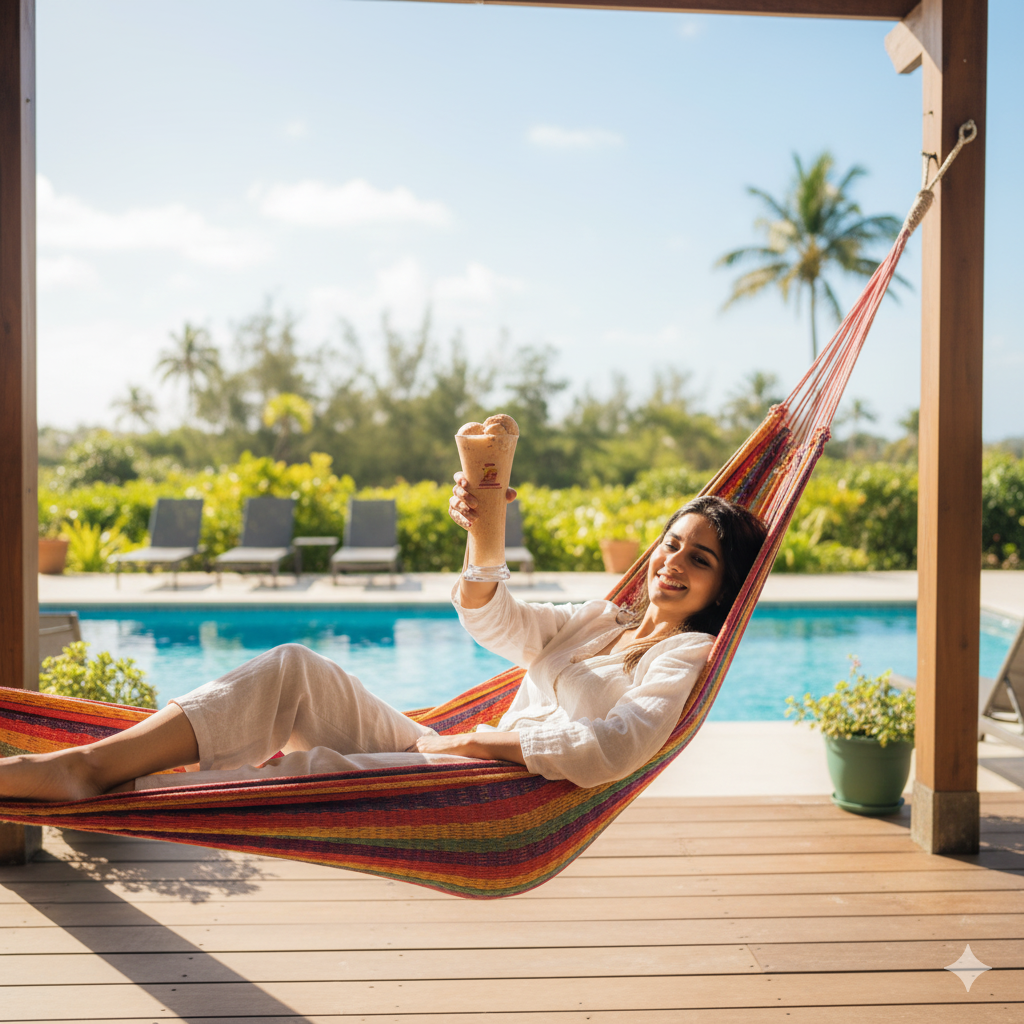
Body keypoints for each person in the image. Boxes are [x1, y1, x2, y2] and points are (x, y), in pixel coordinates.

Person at [0, 480, 765, 803]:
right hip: (458, 756)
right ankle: (92, 767)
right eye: (671, 544)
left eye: (699, 559)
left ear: (722, 589)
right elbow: (498, 621)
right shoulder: (606, 617)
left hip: (497, 787)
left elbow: (618, 746)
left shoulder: (685, 654)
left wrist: (488, 749)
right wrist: (485, 529)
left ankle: (114, 788)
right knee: (296, 669)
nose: (672, 563)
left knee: (316, 778)